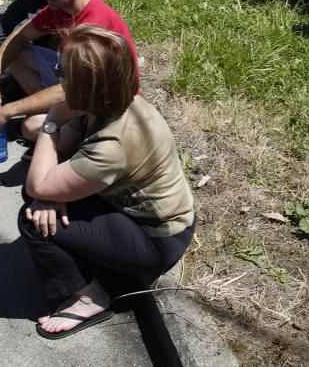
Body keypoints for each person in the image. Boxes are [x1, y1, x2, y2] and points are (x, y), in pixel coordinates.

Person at [19, 24, 195, 339]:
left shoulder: (112, 144)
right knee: (41, 192)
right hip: (142, 213)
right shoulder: (110, 103)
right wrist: (50, 184)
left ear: (85, 85)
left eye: (61, 69)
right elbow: (66, 150)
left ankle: (91, 298)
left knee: (34, 218)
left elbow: (40, 182)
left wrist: (51, 122)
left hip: (156, 238)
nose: (57, 74)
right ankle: (95, 268)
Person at [0, 0, 138, 145]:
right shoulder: (59, 7)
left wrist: (9, 111)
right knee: (18, 55)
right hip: (78, 86)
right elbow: (18, 38)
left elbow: (70, 89)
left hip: (107, 103)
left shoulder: (94, 24)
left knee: (30, 127)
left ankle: (72, 136)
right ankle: (53, 117)